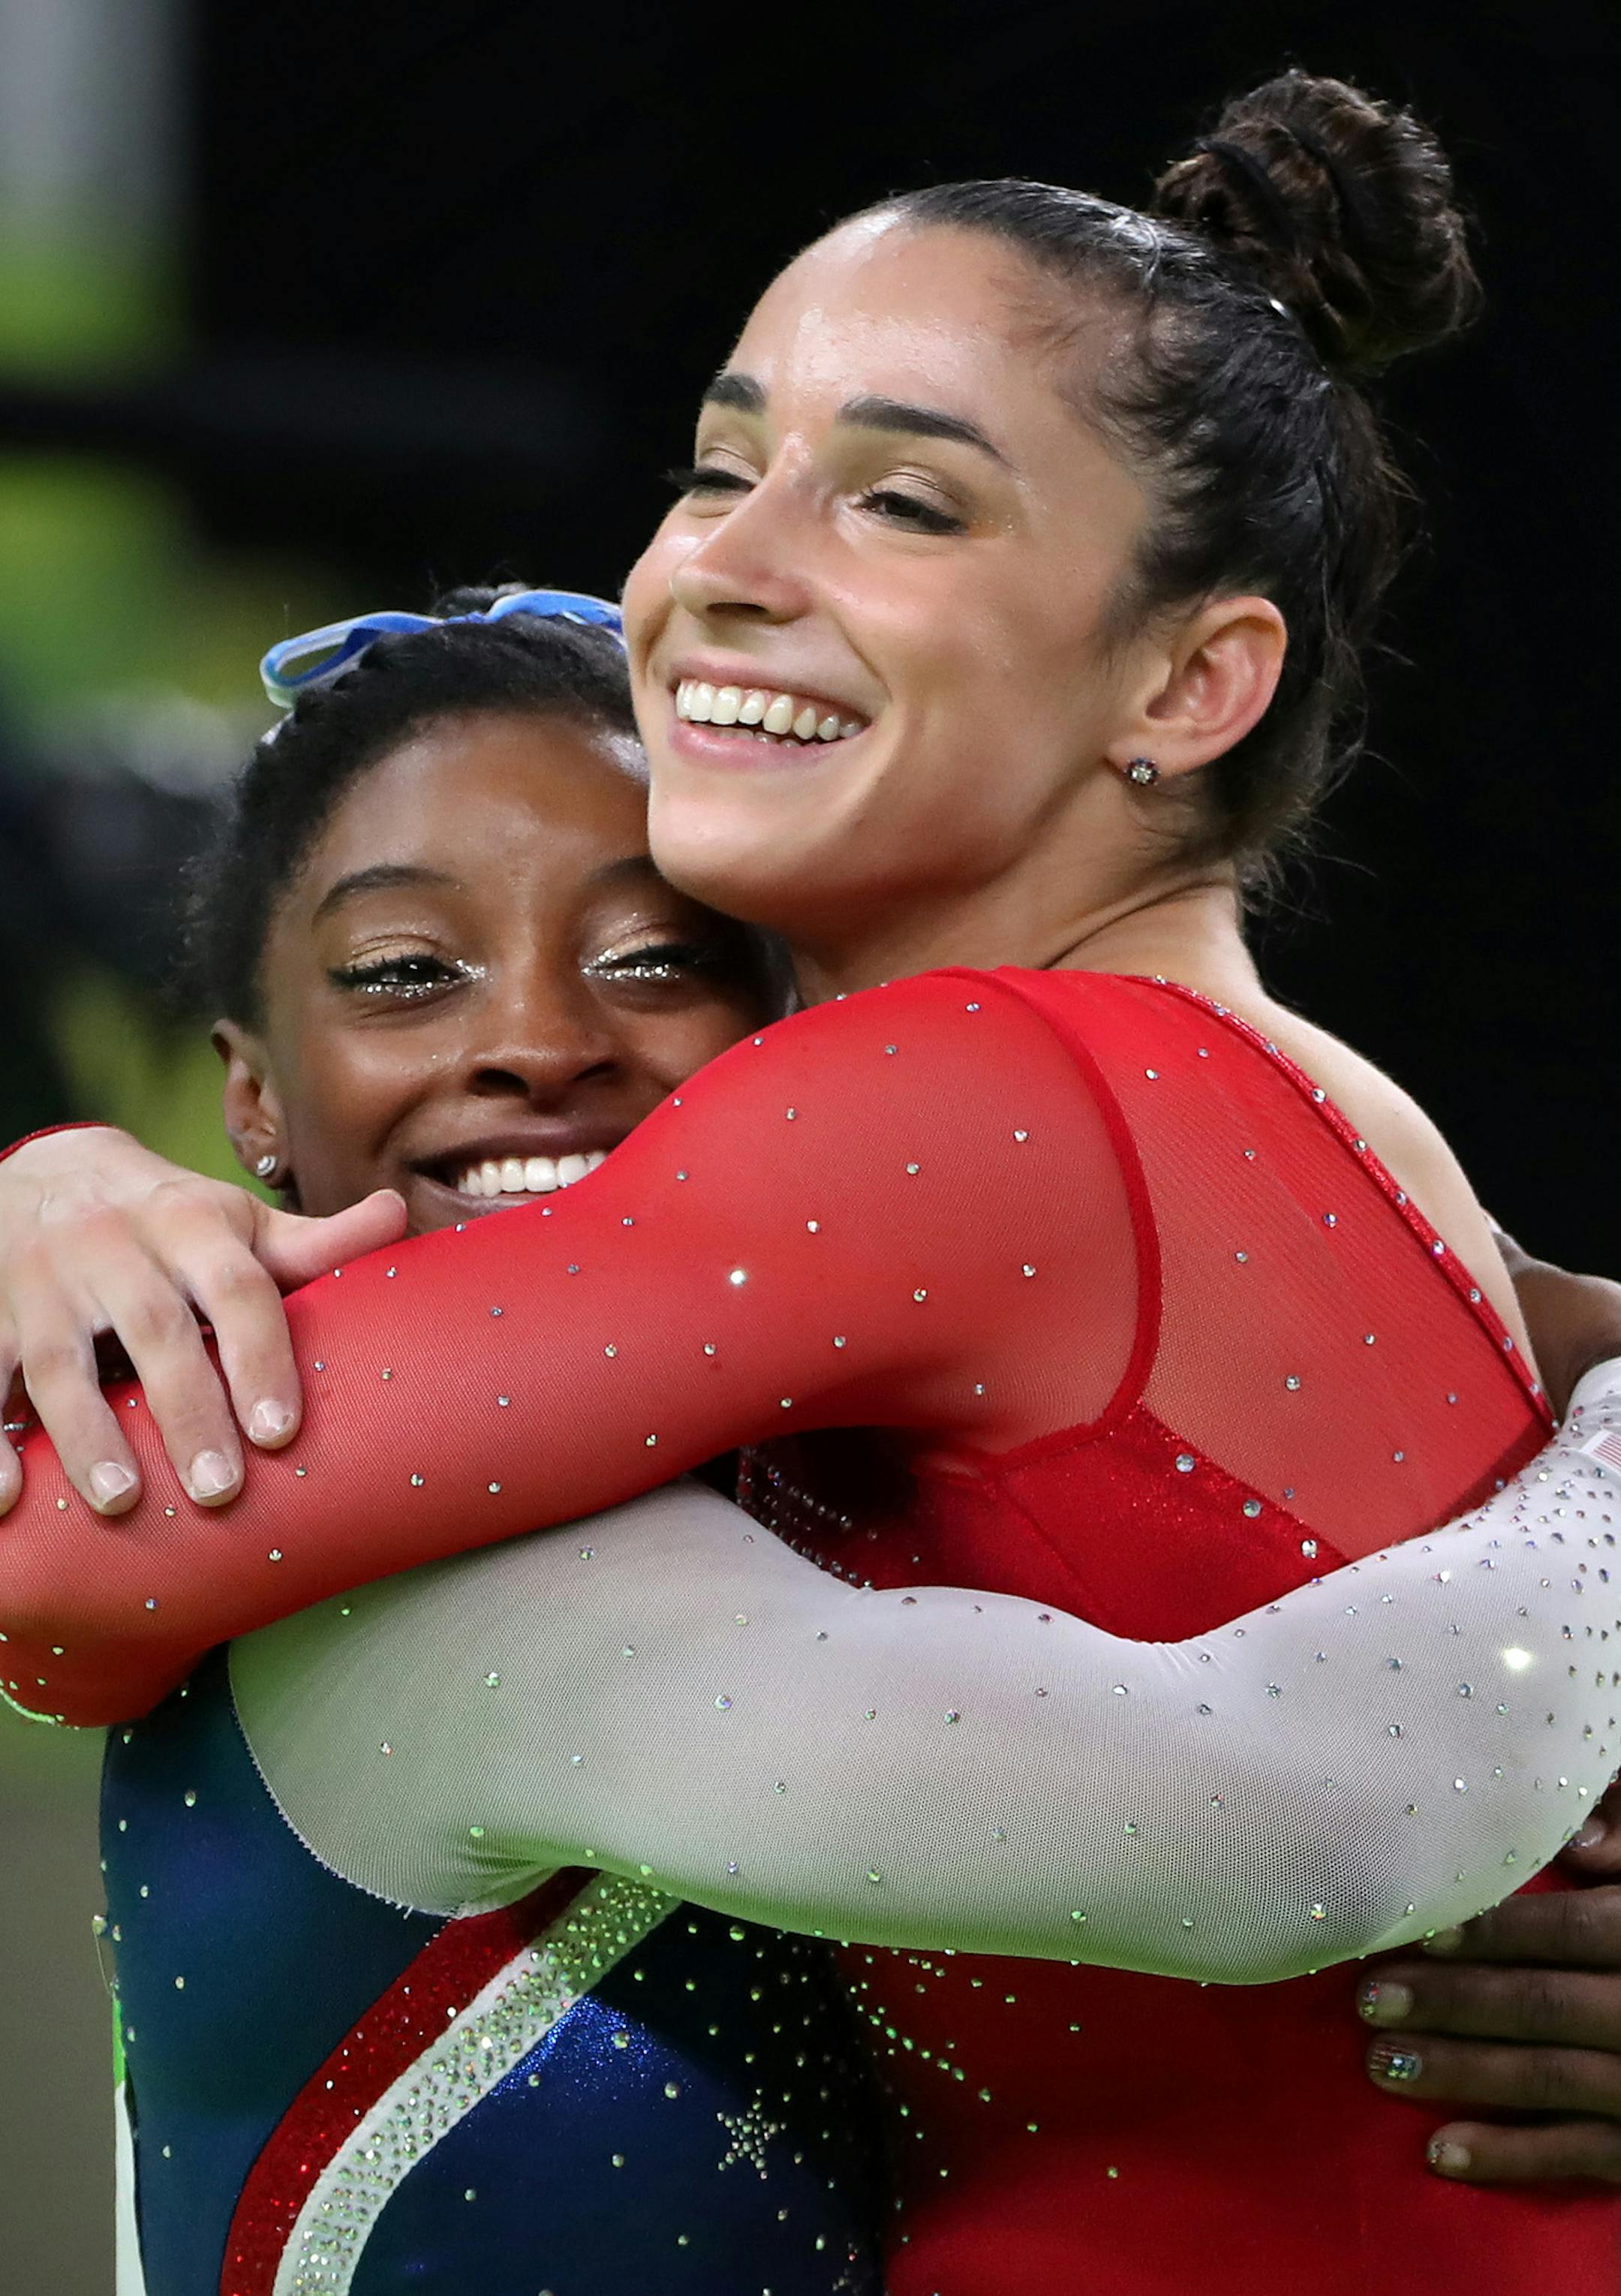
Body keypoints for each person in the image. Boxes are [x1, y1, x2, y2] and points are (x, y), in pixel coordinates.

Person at [4, 66, 1621, 2295]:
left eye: (903, 505)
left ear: (1193, 676)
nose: (723, 569)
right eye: (722, 463)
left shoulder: (967, 1096)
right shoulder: (1319, 1111)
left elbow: (83, 1535)